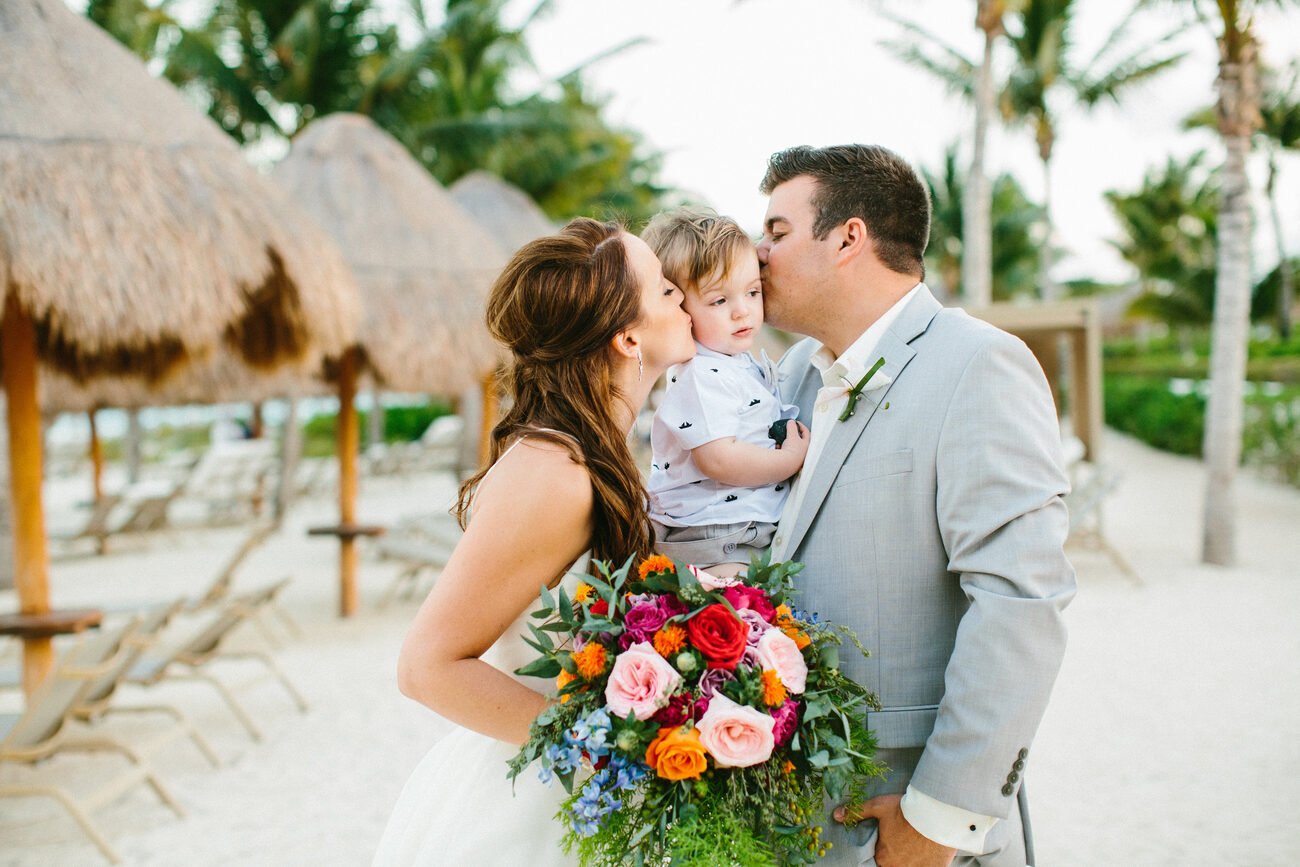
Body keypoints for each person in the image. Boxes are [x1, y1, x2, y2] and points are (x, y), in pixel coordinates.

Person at [758, 145, 1076, 866]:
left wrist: (939, 818)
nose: (758, 253)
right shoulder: (792, 374)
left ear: (849, 238)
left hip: (901, 815)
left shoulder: (978, 363)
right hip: (786, 811)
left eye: (777, 231)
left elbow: (1022, 598)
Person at [372, 218, 695, 866]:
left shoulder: (595, 456)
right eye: (664, 288)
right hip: (542, 808)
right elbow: (426, 665)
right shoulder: (555, 471)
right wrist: (608, 750)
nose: (683, 296)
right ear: (628, 337)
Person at [641, 208, 808, 577]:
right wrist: (789, 461)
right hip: (713, 533)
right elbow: (718, 459)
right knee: (731, 604)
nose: (741, 311)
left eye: (752, 292)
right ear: (678, 307)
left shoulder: (731, 360)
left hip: (732, 526)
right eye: (719, 301)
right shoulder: (700, 373)